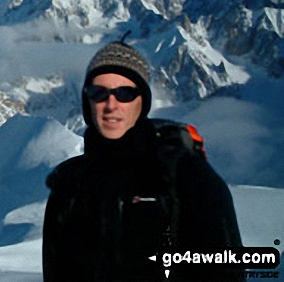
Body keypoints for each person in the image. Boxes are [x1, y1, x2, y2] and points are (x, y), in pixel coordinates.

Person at [42, 36, 243, 281]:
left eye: (125, 93)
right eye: (98, 92)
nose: (110, 104)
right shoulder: (68, 187)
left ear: (143, 101)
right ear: (87, 101)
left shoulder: (187, 177)